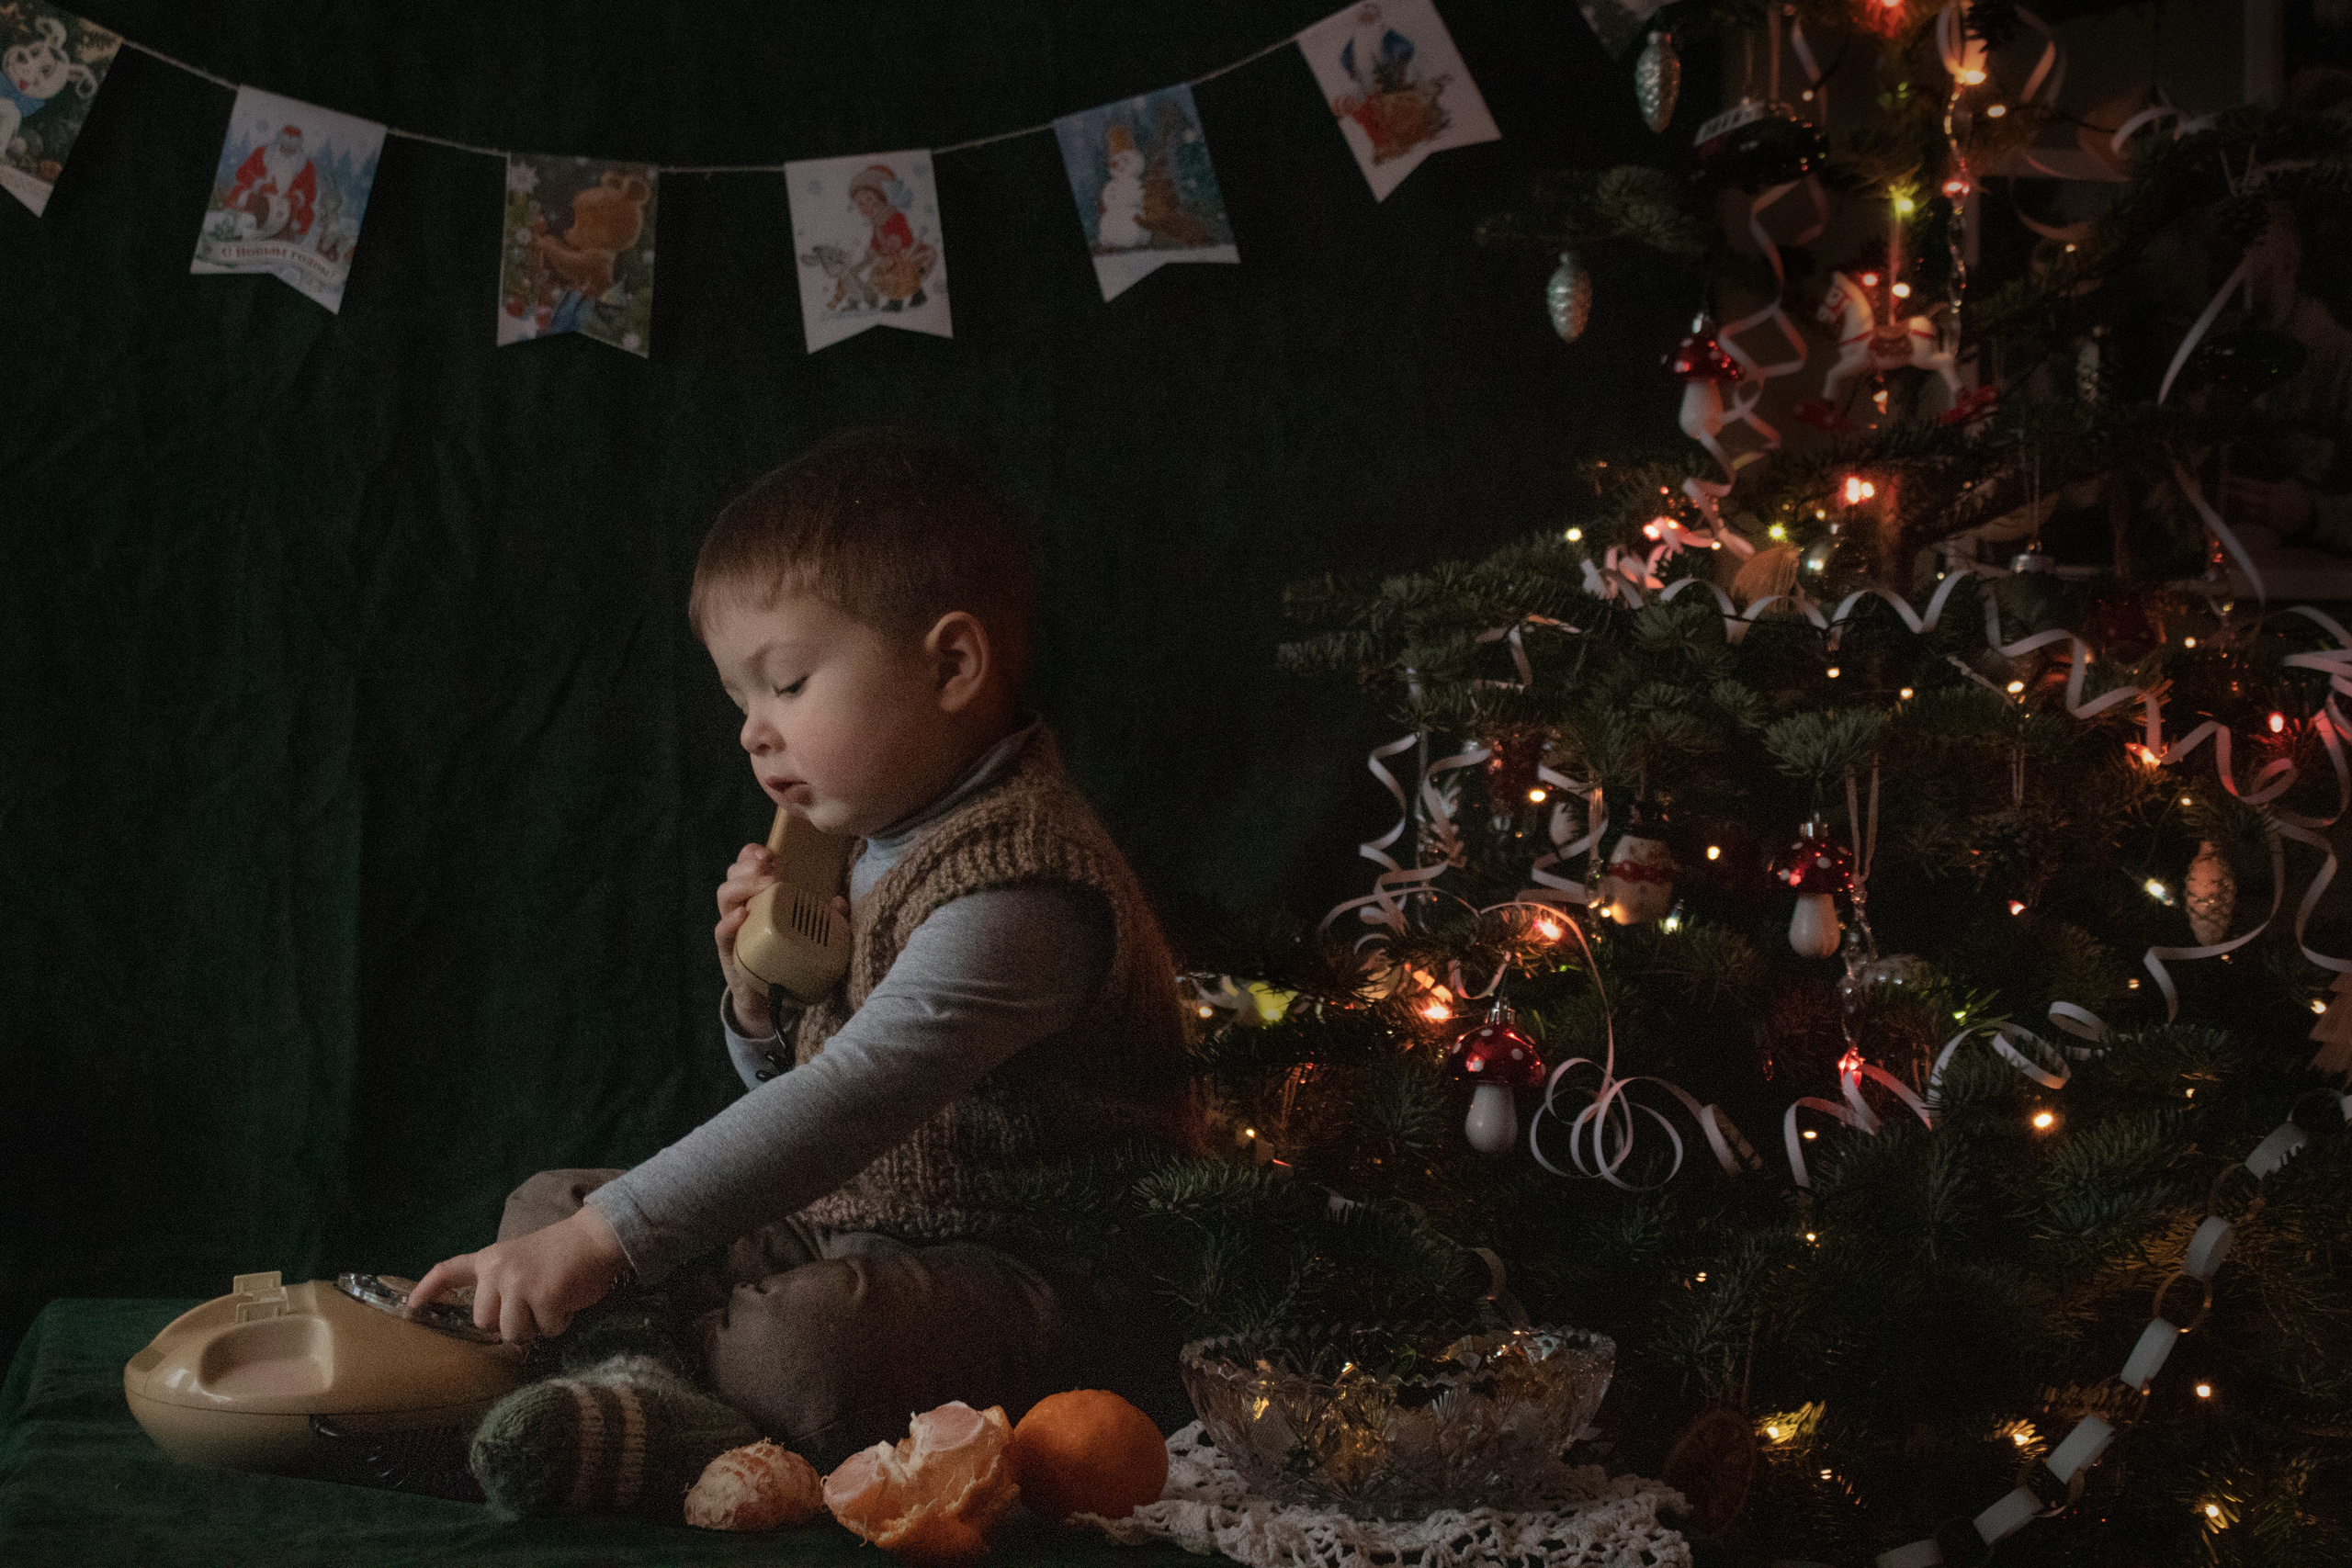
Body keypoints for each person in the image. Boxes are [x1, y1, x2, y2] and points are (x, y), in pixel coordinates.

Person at [411, 434, 1197, 1506]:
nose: (752, 734)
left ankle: (636, 1385)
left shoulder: (1022, 886)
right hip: (856, 1227)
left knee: (798, 1347)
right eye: (741, 700)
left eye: (785, 685)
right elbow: (799, 1095)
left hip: (1044, 1274)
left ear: (951, 666)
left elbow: (851, 1100)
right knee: (547, 1202)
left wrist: (606, 1245)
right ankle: (652, 1386)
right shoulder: (869, 842)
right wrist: (759, 1001)